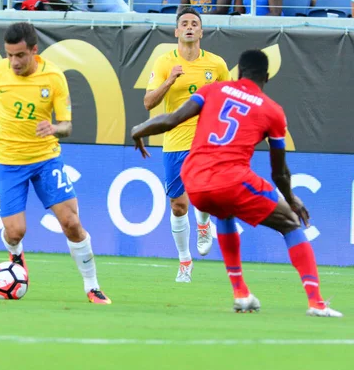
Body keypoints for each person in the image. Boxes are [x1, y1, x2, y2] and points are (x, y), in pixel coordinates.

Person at [131, 49, 342, 317]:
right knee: (289, 222)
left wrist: (139, 130)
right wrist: (292, 199)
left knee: (225, 212)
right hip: (230, 178)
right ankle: (316, 302)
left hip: (194, 180)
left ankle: (241, 294)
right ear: (266, 77)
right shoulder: (272, 111)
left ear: (238, 72)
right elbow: (279, 173)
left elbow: (171, 120)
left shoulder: (213, 90)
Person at [0, 22, 111, 305]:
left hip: (46, 158)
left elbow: (67, 126)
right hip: (8, 161)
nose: (14, 62)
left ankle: (92, 286)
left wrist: (55, 129)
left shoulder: (54, 77)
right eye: (9, 55)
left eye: (20, 55)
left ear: (35, 51)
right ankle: (16, 255)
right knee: (15, 231)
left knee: (71, 222)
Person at [144, 7, 231, 283]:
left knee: (203, 194)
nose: (190, 27)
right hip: (174, 142)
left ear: (202, 31)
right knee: (178, 206)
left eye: (195, 23)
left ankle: (204, 224)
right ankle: (184, 261)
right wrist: (170, 79)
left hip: (205, 141)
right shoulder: (164, 62)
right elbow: (148, 102)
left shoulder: (216, 65)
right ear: (177, 31)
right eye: (185, 23)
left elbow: (228, 100)